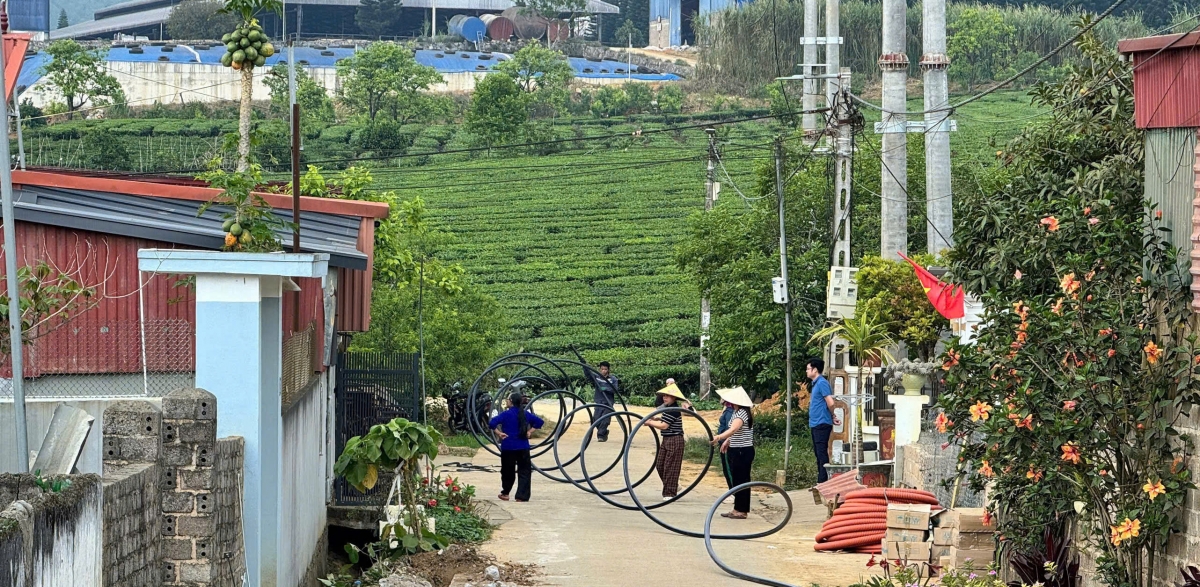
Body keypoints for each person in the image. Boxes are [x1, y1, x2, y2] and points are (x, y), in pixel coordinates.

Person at [489, 391, 544, 502]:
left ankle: (505, 493)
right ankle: (521, 496)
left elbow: (492, 423)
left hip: (508, 447)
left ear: (511, 402)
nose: (507, 401)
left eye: (508, 400)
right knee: (524, 471)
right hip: (523, 447)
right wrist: (529, 431)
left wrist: (499, 433)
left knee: (507, 471)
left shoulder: (506, 414)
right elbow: (539, 422)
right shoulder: (525, 414)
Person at [711, 386, 755, 519]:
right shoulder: (736, 412)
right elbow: (735, 432)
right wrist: (727, 441)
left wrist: (719, 437)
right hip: (737, 449)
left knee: (741, 480)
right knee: (737, 480)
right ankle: (737, 508)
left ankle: (741, 510)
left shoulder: (741, 413)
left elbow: (733, 429)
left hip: (742, 451)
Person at [646, 382, 691, 499]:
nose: (664, 398)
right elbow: (665, 421)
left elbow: (664, 425)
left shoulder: (673, 410)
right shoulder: (668, 409)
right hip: (667, 439)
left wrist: (650, 422)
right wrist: (657, 418)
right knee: (660, 465)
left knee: (670, 467)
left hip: (675, 440)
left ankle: (669, 493)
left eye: (667, 396)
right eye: (663, 396)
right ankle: (673, 486)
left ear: (674, 397)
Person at [807, 358, 840, 485]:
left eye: (808, 368)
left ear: (815, 370)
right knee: (818, 453)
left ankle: (823, 481)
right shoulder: (815, 384)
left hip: (822, 423)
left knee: (821, 453)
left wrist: (833, 415)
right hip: (815, 423)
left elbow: (830, 403)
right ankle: (821, 480)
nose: (807, 371)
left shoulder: (822, 383)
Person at [590, 361, 619, 442]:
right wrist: (584, 366)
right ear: (600, 369)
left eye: (605, 369)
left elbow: (615, 389)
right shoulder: (597, 377)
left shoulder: (613, 379)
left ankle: (601, 436)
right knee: (596, 419)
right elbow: (588, 375)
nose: (603, 371)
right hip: (599, 401)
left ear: (608, 370)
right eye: (602, 369)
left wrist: (605, 388)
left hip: (608, 402)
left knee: (605, 420)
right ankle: (604, 431)